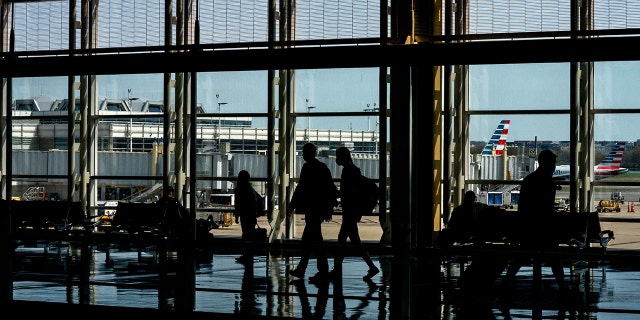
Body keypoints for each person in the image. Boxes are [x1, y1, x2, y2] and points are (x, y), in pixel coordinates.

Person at [501, 149, 566, 291]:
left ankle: (505, 284)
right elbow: (546, 209)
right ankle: (562, 288)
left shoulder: (530, 179)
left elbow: (524, 207)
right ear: (547, 164)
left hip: (529, 228)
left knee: (519, 259)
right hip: (542, 229)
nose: (555, 166)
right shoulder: (547, 182)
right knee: (555, 259)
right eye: (553, 163)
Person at [288, 143, 338, 283]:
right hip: (320, 209)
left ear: (308, 153)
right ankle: (312, 270)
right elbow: (331, 188)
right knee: (314, 239)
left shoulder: (308, 168)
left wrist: (291, 205)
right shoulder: (322, 167)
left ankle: (313, 270)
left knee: (311, 239)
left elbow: (300, 189)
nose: (302, 154)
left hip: (312, 208)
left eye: (304, 152)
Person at [330, 147, 380, 281]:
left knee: (342, 241)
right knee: (354, 242)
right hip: (352, 212)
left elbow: (348, 193)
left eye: (337, 156)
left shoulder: (348, 172)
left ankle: (337, 271)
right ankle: (371, 267)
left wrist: (336, 193)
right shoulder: (353, 170)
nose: (336, 158)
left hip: (350, 212)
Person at [234, 170, 258, 265]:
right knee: (249, 235)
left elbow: (238, 204)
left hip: (244, 215)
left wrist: (237, 216)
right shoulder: (250, 190)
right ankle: (249, 255)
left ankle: (246, 255)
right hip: (250, 215)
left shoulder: (239, 190)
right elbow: (254, 204)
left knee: (245, 234)